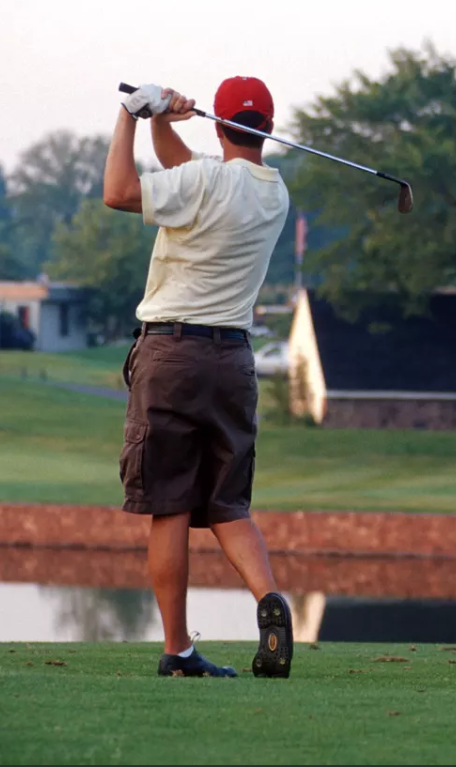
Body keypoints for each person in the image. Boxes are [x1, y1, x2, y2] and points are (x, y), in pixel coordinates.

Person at [103, 78, 293, 678]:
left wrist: (130, 115)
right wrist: (166, 119)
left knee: (171, 506)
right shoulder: (273, 192)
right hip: (233, 361)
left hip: (171, 354)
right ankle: (269, 601)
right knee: (230, 504)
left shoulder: (205, 182)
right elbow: (182, 174)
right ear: (266, 126)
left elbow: (119, 192)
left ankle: (178, 649)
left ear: (219, 126)